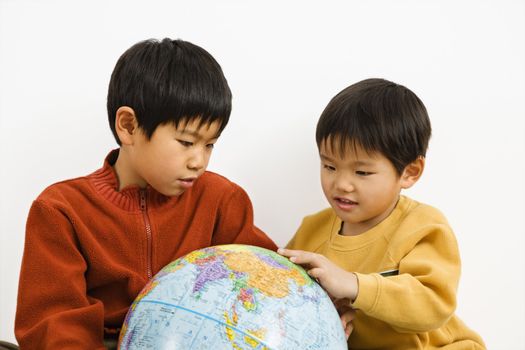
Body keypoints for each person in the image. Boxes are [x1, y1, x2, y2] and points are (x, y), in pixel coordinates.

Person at [14, 38, 278, 349]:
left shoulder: (222, 200)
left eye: (210, 145)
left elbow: (268, 284)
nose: (199, 161)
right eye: (186, 142)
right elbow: (55, 323)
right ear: (128, 126)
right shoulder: (61, 210)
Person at [279, 78, 486, 349]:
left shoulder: (422, 226)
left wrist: (354, 286)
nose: (341, 184)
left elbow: (433, 303)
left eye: (362, 172)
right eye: (329, 166)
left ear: (410, 172)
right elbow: (287, 296)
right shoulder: (311, 231)